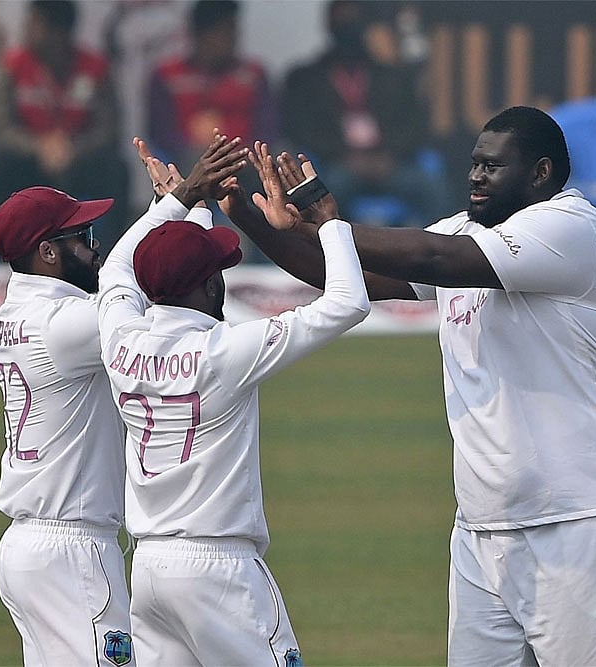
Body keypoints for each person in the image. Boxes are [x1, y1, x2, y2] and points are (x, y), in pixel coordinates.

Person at [232, 106, 596, 666]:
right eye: (474, 164)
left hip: (589, 518)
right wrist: (245, 214)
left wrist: (327, 224)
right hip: (484, 530)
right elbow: (338, 272)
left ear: (541, 173)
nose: (476, 176)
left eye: (493, 166)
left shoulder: (572, 227)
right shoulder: (465, 232)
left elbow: (435, 257)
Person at [96, 133, 371, 666]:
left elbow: (115, 271)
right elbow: (347, 304)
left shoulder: (121, 341)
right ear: (209, 288)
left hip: (149, 570)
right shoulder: (224, 352)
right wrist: (329, 222)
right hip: (220, 570)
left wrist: (183, 202)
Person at [0, 185, 133, 666]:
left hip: (25, 546)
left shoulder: (12, 315)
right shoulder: (61, 324)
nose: (95, 248)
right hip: (73, 549)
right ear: (48, 252)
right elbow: (133, 287)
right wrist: (180, 204)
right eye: (84, 237)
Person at [280, 0, 448, 225]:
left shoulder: (393, 77)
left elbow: (415, 127)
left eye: (355, 19)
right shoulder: (305, 78)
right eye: (342, 20)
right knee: (323, 195)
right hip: (338, 165)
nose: (349, 26)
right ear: (329, 23)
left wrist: (388, 156)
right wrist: (346, 157)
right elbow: (301, 130)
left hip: (390, 163)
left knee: (432, 187)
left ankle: (440, 245)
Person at [0, 0, 128, 255]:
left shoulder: (94, 68)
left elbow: (108, 129)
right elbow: (2, 129)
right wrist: (39, 147)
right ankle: (5, 257)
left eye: (35, 23)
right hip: (31, 161)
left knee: (117, 169)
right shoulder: (13, 66)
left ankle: (112, 257)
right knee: (1, 166)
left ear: (59, 31)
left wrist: (72, 149)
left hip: (79, 159)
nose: (27, 29)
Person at [146, 0, 275, 198]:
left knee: (276, 160)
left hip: (246, 162)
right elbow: (162, 133)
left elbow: (268, 128)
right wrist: (205, 155)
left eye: (234, 29)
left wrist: (239, 154)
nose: (232, 38)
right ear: (201, 33)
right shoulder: (168, 76)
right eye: (224, 30)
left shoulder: (253, 75)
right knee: (196, 165)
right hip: (190, 163)